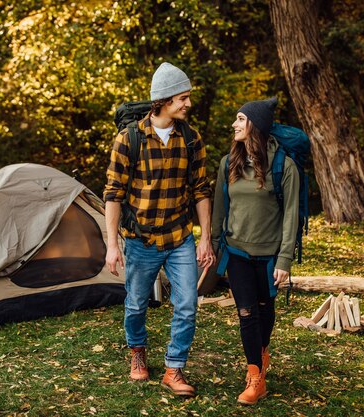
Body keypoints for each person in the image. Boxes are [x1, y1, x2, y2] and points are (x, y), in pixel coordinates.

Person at [103, 62, 214, 397]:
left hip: (180, 238)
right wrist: (112, 245)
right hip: (141, 240)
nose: (188, 104)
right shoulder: (129, 139)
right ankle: (137, 352)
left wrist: (205, 238)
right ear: (164, 100)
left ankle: (174, 368)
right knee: (136, 303)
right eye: (183, 98)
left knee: (187, 304)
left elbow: (201, 190)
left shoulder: (191, 139)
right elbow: (113, 194)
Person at [211, 97, 299, 406]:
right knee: (246, 312)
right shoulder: (228, 163)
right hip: (236, 252)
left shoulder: (284, 167)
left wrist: (285, 259)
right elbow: (220, 207)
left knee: (264, 308)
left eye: (239, 119)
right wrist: (212, 243)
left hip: (270, 255)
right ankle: (255, 377)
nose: (234, 124)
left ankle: (262, 354)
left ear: (255, 126)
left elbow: (291, 216)